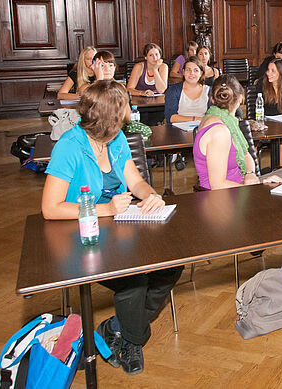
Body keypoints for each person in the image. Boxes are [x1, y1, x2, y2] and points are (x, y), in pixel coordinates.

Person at [40, 80, 182, 376]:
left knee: (172, 261)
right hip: (79, 235)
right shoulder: (70, 146)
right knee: (134, 280)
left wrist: (150, 194)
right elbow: (50, 208)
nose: (129, 114)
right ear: (110, 118)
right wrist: (105, 209)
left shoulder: (115, 140)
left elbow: (135, 180)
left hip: (118, 227)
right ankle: (133, 340)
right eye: (124, 110)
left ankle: (115, 327)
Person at [192, 77, 282, 289]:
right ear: (241, 99)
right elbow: (217, 185)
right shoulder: (220, 131)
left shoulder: (227, 122)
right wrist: (255, 184)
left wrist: (253, 175)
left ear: (212, 98)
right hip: (223, 201)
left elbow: (246, 155)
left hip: (241, 187)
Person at [164, 56, 210, 124]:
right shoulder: (173, 90)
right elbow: (170, 117)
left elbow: (213, 115)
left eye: (196, 70)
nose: (192, 73)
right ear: (183, 72)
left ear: (201, 73)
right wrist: (196, 119)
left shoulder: (209, 91)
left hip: (202, 128)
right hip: (177, 130)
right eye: (188, 70)